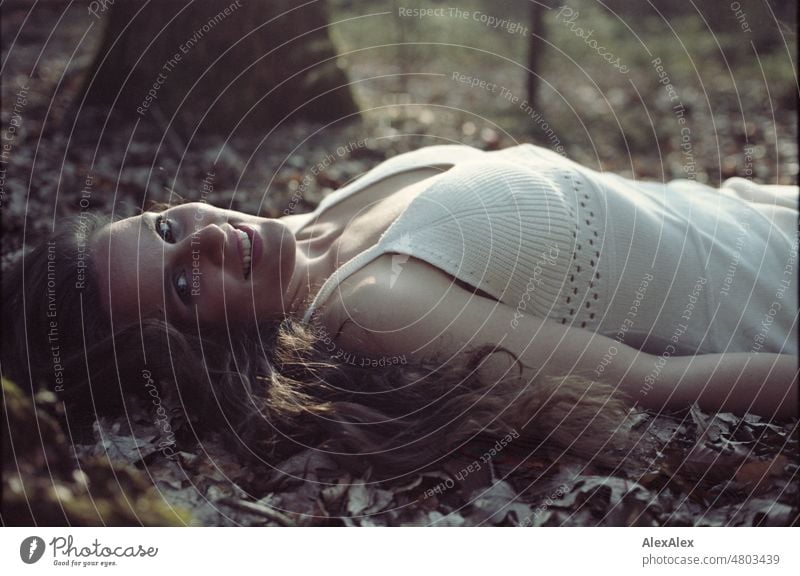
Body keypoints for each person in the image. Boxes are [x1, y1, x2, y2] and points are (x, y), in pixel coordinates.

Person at [3, 143, 797, 476]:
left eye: (169, 228)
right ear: (198, 343)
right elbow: (656, 379)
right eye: (184, 285)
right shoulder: (368, 305)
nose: (205, 243)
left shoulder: (331, 209)